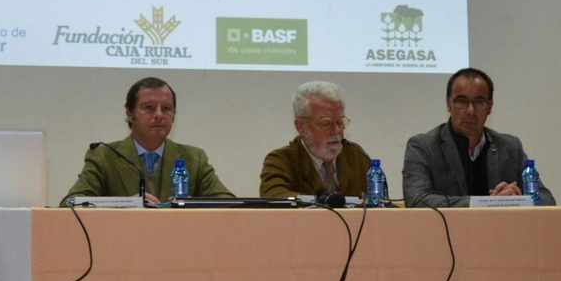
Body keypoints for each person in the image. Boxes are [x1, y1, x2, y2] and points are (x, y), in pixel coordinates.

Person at [402, 68, 556, 208]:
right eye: (461, 101)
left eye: (479, 102)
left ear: (490, 107)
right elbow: (416, 200)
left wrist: (518, 199)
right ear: (448, 104)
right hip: (442, 236)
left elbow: (547, 200)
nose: (470, 111)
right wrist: (485, 203)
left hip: (499, 235)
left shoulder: (510, 147)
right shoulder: (423, 146)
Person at [65, 76, 233, 204]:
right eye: (149, 108)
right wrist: (125, 205)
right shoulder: (104, 156)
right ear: (130, 114)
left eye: (166, 108)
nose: (159, 115)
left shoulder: (194, 158)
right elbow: (71, 202)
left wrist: (193, 205)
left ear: (174, 115)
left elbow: (229, 203)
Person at [260, 81, 372, 199]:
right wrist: (326, 202)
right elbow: (273, 197)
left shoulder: (356, 156)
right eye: (325, 123)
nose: (337, 131)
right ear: (301, 127)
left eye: (340, 122)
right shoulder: (282, 160)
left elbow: (379, 202)